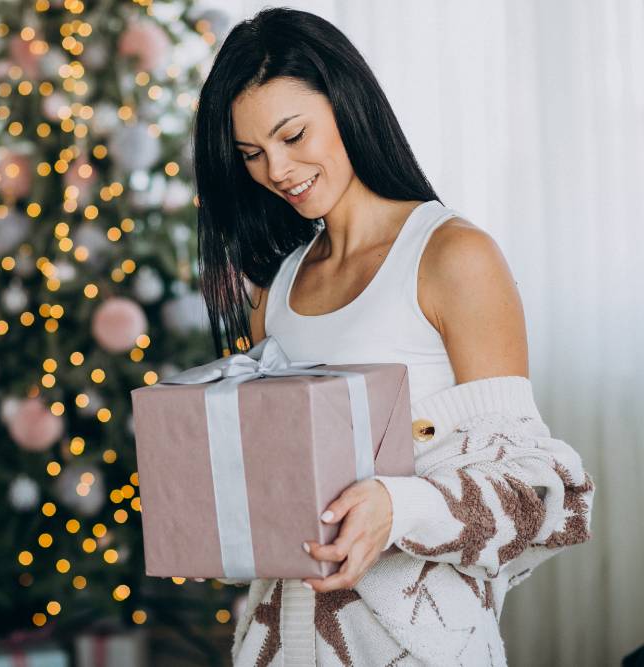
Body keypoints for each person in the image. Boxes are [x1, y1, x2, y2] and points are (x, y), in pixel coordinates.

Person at [190, 7, 595, 665]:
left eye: (293, 135)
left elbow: (546, 497)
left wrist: (397, 506)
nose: (278, 170)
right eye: (252, 155)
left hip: (423, 646)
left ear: (346, 103)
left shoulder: (452, 258)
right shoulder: (276, 290)